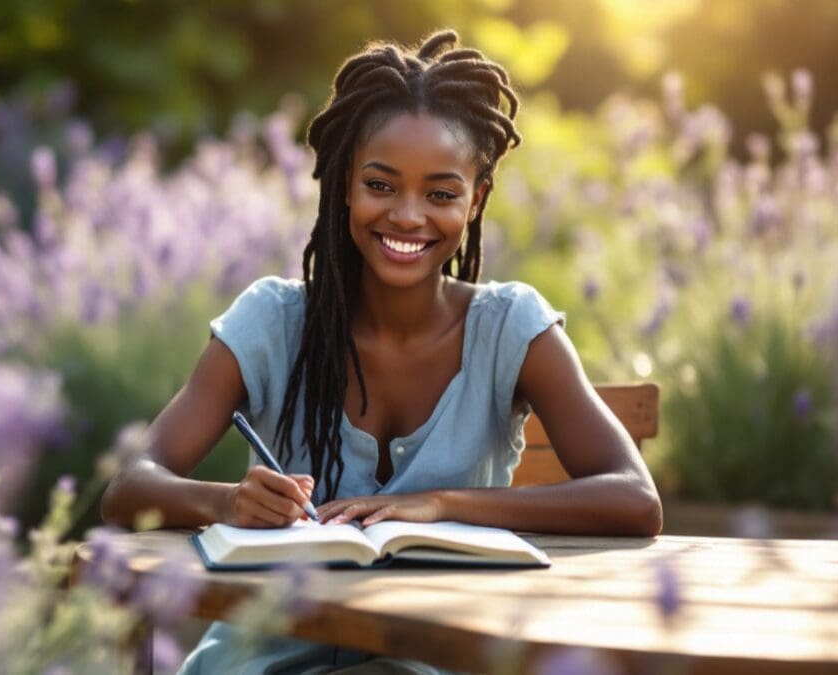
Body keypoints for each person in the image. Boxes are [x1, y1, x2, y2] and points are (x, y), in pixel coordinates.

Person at [101, 30, 662, 673]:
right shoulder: (273, 321)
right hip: (267, 656)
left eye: (442, 194)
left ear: (476, 200)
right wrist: (227, 503)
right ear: (344, 185)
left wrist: (442, 505)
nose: (408, 216)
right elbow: (128, 486)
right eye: (381, 185)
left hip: (432, 658)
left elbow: (634, 500)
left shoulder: (513, 329)